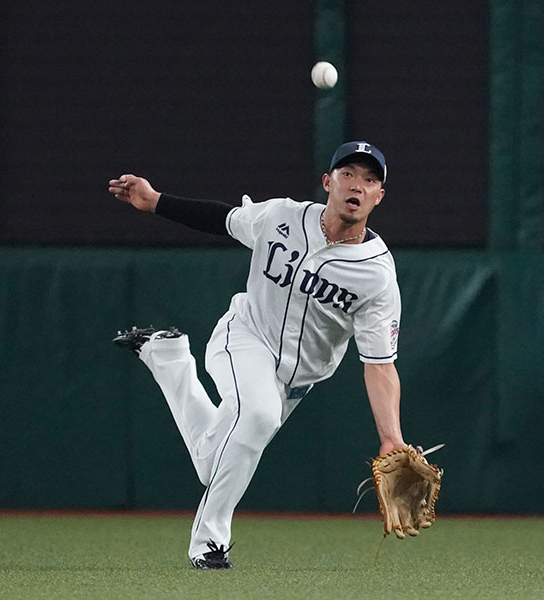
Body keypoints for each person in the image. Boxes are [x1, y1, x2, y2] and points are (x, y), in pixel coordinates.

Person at [108, 141, 407, 570]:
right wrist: (156, 201)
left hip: (296, 379)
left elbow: (380, 364)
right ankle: (209, 543)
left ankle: (167, 355)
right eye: (347, 174)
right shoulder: (282, 216)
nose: (356, 185)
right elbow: (223, 218)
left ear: (379, 196)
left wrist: (391, 437)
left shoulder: (376, 276)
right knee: (259, 415)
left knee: (217, 464)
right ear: (328, 182)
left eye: (369, 179)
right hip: (244, 337)